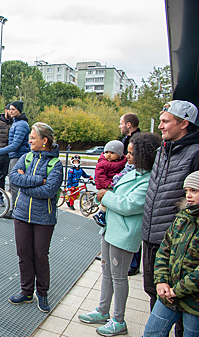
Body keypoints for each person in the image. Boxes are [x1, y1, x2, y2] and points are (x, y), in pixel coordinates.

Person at [77, 132, 161, 336]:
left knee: (119, 277)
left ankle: (118, 319)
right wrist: (107, 196)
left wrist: (105, 196)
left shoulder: (148, 179)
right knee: (106, 272)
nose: (128, 157)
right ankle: (103, 310)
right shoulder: (132, 172)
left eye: (132, 153)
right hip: (111, 229)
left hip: (124, 233)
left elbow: (130, 205)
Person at [142, 100, 199, 337]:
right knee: (154, 294)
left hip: (179, 245)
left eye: (166, 121)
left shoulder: (195, 153)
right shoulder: (162, 150)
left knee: (181, 315)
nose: (161, 126)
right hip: (153, 238)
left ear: (184, 123)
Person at [7, 122, 63, 313]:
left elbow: (49, 191)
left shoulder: (55, 164)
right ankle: (26, 291)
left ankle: (43, 293)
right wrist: (39, 180)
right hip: (21, 214)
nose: (29, 140)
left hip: (44, 218)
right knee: (24, 254)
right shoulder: (26, 157)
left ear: (44, 140)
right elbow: (14, 178)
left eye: (33, 137)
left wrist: (26, 184)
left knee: (40, 256)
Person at [142, 170, 199, 336]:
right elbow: (164, 250)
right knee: (152, 332)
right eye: (186, 190)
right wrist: (161, 281)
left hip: (194, 303)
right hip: (169, 294)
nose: (188, 195)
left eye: (194, 191)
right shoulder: (182, 217)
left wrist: (177, 289)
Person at [0, 101, 30, 211]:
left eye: (13, 109)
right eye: (10, 109)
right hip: (12, 155)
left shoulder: (20, 124)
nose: (10, 111)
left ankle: (14, 210)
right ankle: (13, 208)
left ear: (18, 110)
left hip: (17, 157)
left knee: (14, 184)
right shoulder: (15, 122)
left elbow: (15, 144)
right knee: (4, 180)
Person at [119, 112, 142, 277]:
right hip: (125, 179)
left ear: (128, 124)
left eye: (121, 123)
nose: (119, 126)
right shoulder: (126, 140)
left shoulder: (137, 141)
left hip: (131, 185)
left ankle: (133, 263)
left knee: (132, 228)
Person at [93, 140, 127, 227]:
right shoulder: (103, 163)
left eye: (112, 153)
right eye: (106, 152)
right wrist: (107, 184)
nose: (108, 155)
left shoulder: (123, 162)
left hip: (115, 183)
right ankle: (101, 214)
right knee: (106, 199)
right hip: (106, 185)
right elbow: (100, 175)